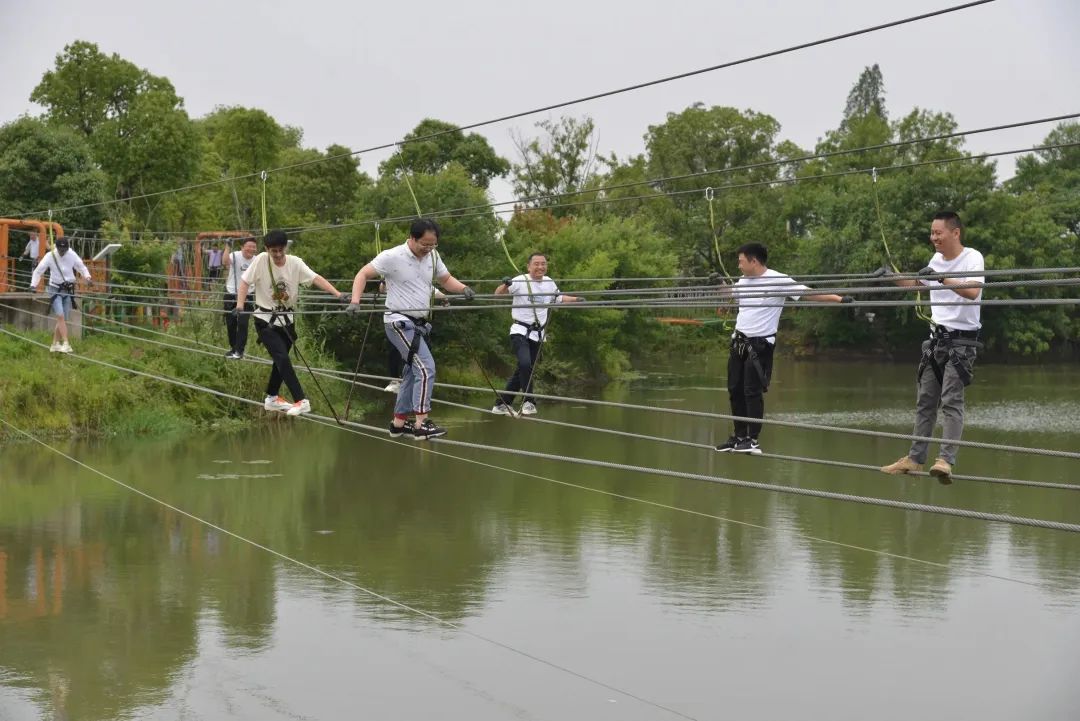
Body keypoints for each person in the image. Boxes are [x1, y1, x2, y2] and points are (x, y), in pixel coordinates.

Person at [715, 242, 852, 455]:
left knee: (752, 391)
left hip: (759, 345)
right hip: (739, 341)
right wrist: (720, 286)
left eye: (741, 261)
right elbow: (731, 300)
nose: (738, 265)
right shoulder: (743, 281)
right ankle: (739, 436)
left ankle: (752, 440)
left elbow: (808, 294)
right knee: (735, 390)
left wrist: (839, 299)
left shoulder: (778, 280)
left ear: (754, 261)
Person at [879, 211, 984, 484]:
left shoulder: (972, 257)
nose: (933, 237)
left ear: (955, 233)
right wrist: (891, 277)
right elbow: (917, 284)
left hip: (962, 342)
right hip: (936, 341)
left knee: (951, 401)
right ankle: (914, 459)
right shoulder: (936, 260)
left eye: (938, 232)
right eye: (932, 233)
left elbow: (973, 291)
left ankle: (945, 461)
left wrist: (941, 278)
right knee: (925, 402)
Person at [348, 218, 474, 440]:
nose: (428, 249)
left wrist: (464, 289)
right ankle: (421, 423)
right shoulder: (392, 256)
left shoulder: (433, 257)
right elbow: (363, 274)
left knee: (411, 373)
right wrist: (355, 301)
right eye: (424, 244)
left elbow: (445, 280)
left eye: (432, 244)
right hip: (398, 322)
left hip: (418, 325)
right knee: (426, 368)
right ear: (412, 238)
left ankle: (398, 424)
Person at [236, 229, 347, 417]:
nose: (278, 255)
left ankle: (271, 397)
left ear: (285, 247)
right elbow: (245, 282)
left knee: (280, 362)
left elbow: (315, 278)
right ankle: (301, 400)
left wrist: (338, 294)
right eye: (274, 251)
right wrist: (240, 306)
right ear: (267, 249)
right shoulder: (261, 259)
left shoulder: (295, 263)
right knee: (282, 359)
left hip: (288, 322)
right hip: (265, 320)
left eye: (281, 250)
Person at [491, 252, 581, 416]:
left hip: (538, 335)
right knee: (526, 365)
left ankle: (502, 404)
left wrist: (577, 300)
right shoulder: (520, 280)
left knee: (523, 371)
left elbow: (558, 298)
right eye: (537, 264)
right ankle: (529, 401)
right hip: (520, 331)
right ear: (529, 266)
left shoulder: (549, 283)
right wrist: (505, 284)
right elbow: (497, 294)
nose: (540, 267)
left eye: (543, 264)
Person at [30, 237, 91, 354]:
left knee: (64, 319)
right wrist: (33, 285)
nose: (62, 252)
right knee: (60, 316)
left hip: (68, 290)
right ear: (57, 248)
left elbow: (81, 267)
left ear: (68, 248)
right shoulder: (50, 256)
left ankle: (54, 344)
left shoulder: (72, 255)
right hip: (54, 289)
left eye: (65, 250)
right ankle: (66, 343)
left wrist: (87, 277)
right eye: (60, 249)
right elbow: (39, 271)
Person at [222, 237, 258, 359]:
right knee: (231, 323)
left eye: (254, 247)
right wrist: (227, 246)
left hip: (248, 295)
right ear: (242, 247)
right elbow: (225, 262)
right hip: (231, 292)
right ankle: (233, 348)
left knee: (243, 323)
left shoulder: (257, 260)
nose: (251, 249)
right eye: (249, 246)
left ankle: (239, 351)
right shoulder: (235, 255)